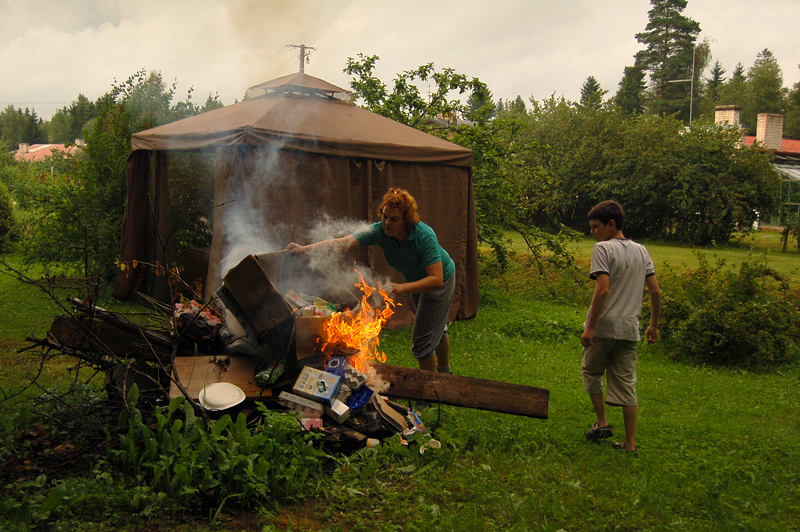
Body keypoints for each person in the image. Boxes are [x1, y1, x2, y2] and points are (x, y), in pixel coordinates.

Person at [285, 188, 456, 374]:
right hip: (417, 280)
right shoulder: (380, 231)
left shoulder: (424, 236)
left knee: (423, 339)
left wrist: (402, 287)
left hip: (440, 280)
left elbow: (436, 279)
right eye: (384, 216)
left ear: (407, 220)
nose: (387, 223)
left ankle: (430, 392)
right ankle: (445, 372)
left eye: (394, 219)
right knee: (435, 327)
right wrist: (304, 249)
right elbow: (344, 243)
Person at [580, 200, 661, 453]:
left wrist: (590, 328)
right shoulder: (642, 251)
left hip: (604, 327)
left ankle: (602, 422)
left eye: (595, 227)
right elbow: (656, 291)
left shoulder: (603, 249)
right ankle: (630, 443)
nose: (593, 232)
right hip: (629, 329)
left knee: (592, 373)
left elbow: (602, 289)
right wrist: (653, 325)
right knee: (627, 385)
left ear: (611, 224)